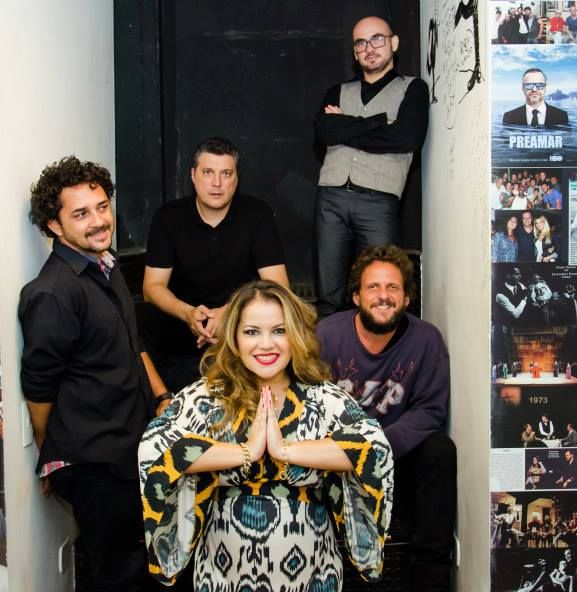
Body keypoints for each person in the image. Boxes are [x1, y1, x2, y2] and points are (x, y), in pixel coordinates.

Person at [139, 280, 394, 590]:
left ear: (295, 335)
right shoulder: (208, 397)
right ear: (234, 337)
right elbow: (155, 449)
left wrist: (285, 450)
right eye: (251, 332)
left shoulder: (321, 397)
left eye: (279, 330)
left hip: (314, 576)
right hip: (223, 576)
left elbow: (374, 449)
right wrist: (246, 451)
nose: (266, 344)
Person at [20, 156, 169, 591]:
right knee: (118, 575)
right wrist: (50, 452)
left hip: (126, 445)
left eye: (102, 207)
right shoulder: (53, 293)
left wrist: (161, 396)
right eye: (81, 214)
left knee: (142, 563)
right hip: (93, 462)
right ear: (54, 225)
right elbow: (39, 386)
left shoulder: (105, 264)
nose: (99, 221)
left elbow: (132, 341)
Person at [316, 245, 451, 591]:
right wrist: (342, 451)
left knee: (439, 450)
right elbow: (308, 403)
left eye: (393, 287)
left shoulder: (427, 340)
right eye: (373, 287)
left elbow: (429, 412)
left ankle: (429, 580)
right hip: (334, 460)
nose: (383, 296)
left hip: (394, 456)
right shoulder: (326, 336)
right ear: (356, 297)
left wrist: (375, 446)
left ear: (407, 298)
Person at [141, 138, 288, 387]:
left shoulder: (257, 214)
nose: (217, 183)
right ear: (193, 175)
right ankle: (164, 399)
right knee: (138, 323)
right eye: (208, 172)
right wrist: (188, 314)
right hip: (182, 326)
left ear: (236, 179)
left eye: (226, 174)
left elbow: (278, 284)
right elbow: (151, 288)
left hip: (241, 325)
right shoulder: (169, 216)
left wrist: (228, 313)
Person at [314, 16, 428, 317]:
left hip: (379, 202)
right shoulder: (337, 91)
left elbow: (406, 138)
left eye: (378, 39)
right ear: (355, 52)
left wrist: (345, 126)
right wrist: (379, 123)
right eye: (361, 43)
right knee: (328, 296)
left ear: (394, 43)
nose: (369, 48)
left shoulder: (413, 89)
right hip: (331, 198)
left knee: (382, 292)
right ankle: (328, 349)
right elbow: (324, 132)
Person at [502, 68, 569, 127]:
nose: (534, 89)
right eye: (529, 85)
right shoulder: (509, 117)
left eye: (540, 85)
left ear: (545, 88)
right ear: (523, 88)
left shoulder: (562, 116)